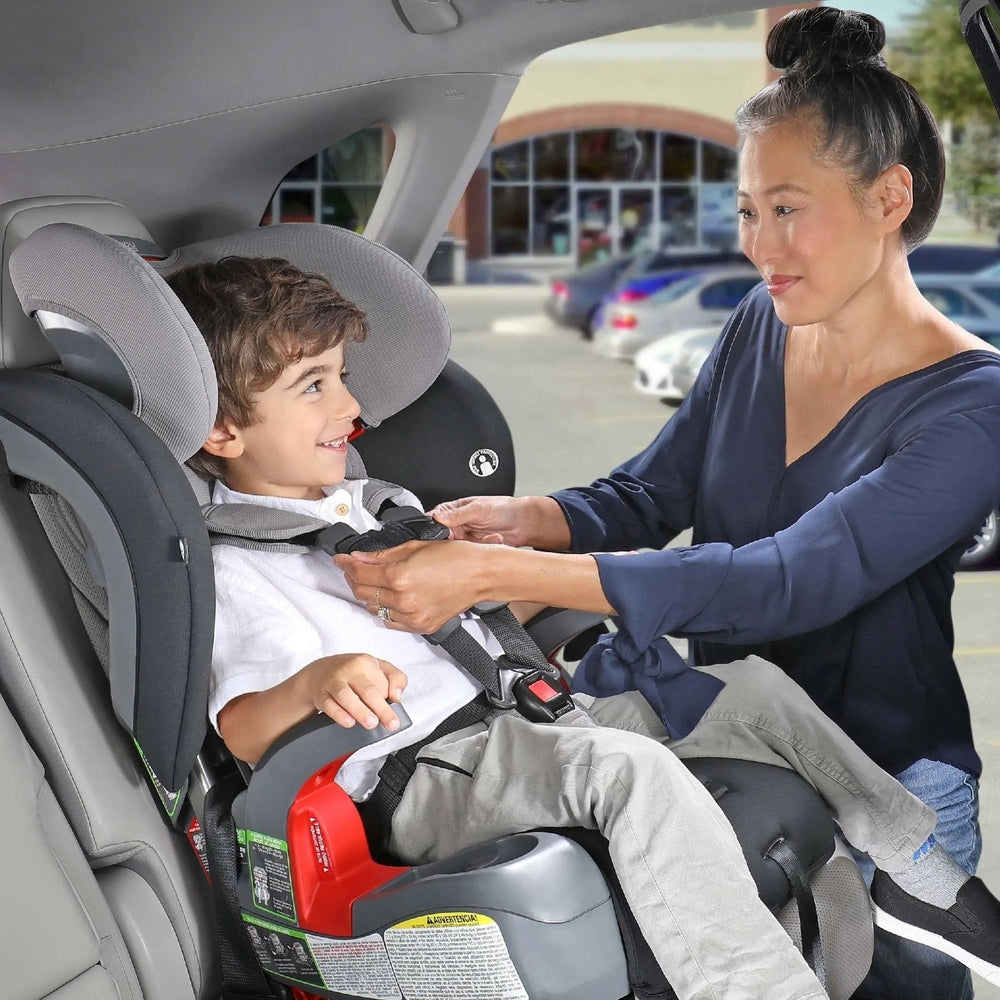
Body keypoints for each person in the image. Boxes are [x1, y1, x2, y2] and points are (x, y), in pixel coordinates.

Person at [334, 9, 1000, 1000]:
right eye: (747, 211)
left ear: (889, 197)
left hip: (892, 776)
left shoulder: (973, 405)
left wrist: (505, 573)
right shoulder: (762, 323)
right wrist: (530, 519)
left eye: (787, 208)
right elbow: (657, 490)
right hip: (737, 741)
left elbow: (791, 579)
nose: (758, 245)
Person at [166, 253, 1000, 1000]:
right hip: (425, 775)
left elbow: (467, 627)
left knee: (751, 690)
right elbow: (241, 728)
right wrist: (319, 684)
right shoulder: (242, 567)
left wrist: (520, 581)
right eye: (313, 385)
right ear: (222, 428)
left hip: (520, 720)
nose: (351, 405)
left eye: (342, 375)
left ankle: (914, 874)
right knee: (625, 769)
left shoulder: (372, 506)